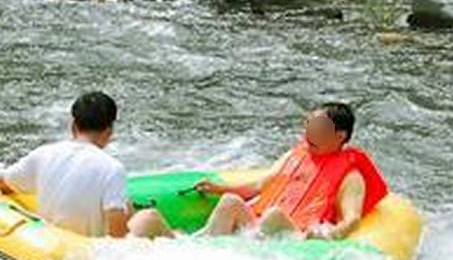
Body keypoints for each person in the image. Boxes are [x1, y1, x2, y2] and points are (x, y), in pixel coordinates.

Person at [128, 102, 385, 241]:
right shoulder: (294, 156)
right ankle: (198, 246)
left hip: (297, 234)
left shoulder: (351, 176)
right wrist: (219, 189)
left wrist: (329, 235)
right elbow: (261, 186)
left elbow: (351, 219)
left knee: (274, 215)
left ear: (339, 135)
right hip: (258, 225)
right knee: (230, 202)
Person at [0, 92, 132, 238]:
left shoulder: (44, 154)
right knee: (147, 216)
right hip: (88, 252)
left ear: (73, 126)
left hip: (48, 245)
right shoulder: (112, 169)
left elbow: (0, 182)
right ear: (109, 131)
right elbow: (118, 237)